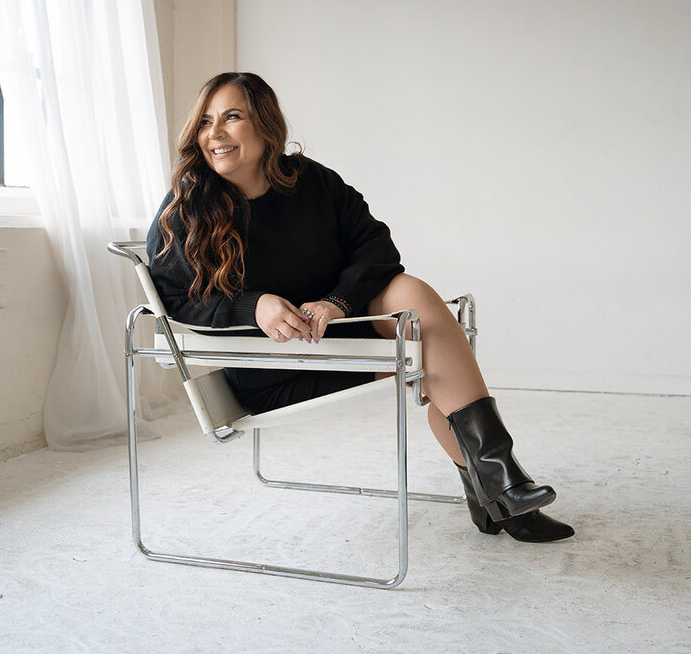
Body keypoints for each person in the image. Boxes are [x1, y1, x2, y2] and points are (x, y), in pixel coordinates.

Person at [146, 72, 573, 542]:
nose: (215, 134)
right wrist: (254, 307)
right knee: (435, 357)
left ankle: (501, 487)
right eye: (206, 121)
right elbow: (173, 303)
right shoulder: (188, 207)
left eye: (232, 117)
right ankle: (502, 491)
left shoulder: (311, 182)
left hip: (345, 337)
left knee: (408, 292)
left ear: (264, 125)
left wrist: (337, 302)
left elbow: (377, 250)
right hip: (276, 366)